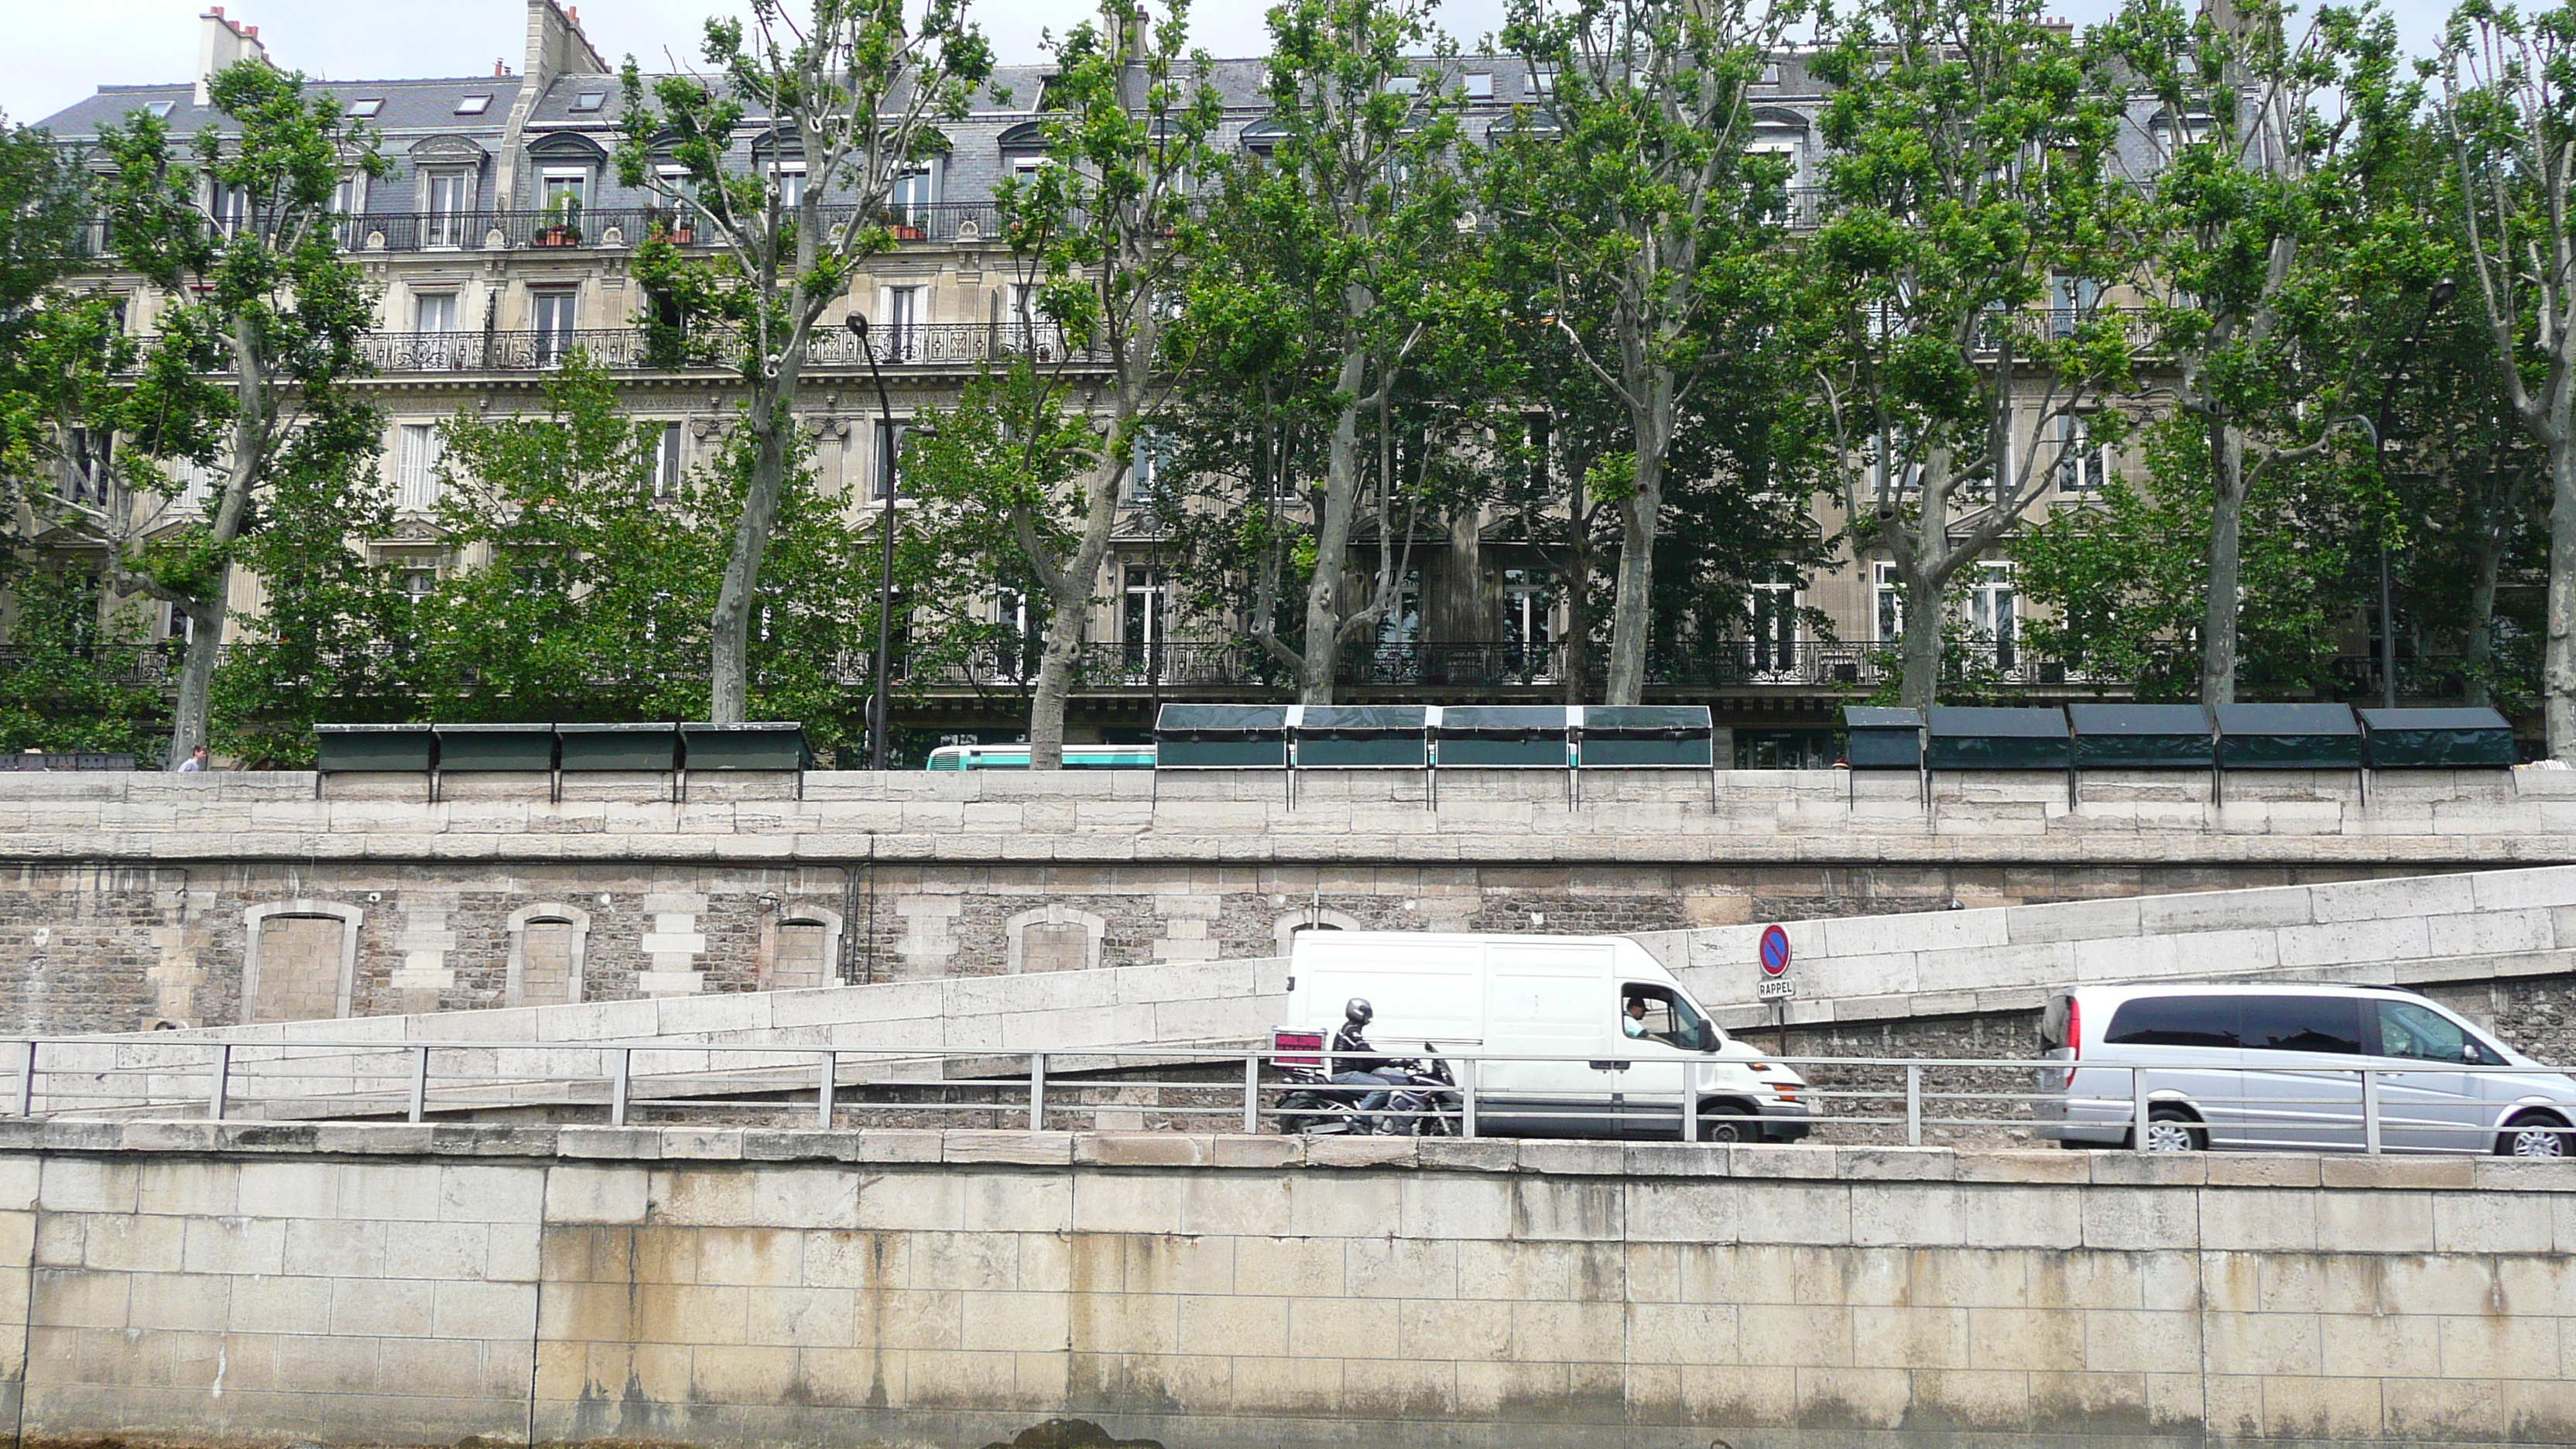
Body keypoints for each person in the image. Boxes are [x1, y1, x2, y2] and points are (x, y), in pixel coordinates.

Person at [1330, 997, 1394, 1126]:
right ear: (1358, 1011)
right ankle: (1359, 1121)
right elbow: (1364, 1050)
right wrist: (1390, 1061)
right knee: (1383, 1087)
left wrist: (1392, 1062)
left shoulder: (1351, 1029)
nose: (1368, 1018)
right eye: (1366, 1014)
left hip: (1349, 1073)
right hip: (1344, 1075)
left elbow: (1365, 1056)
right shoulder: (1351, 1030)